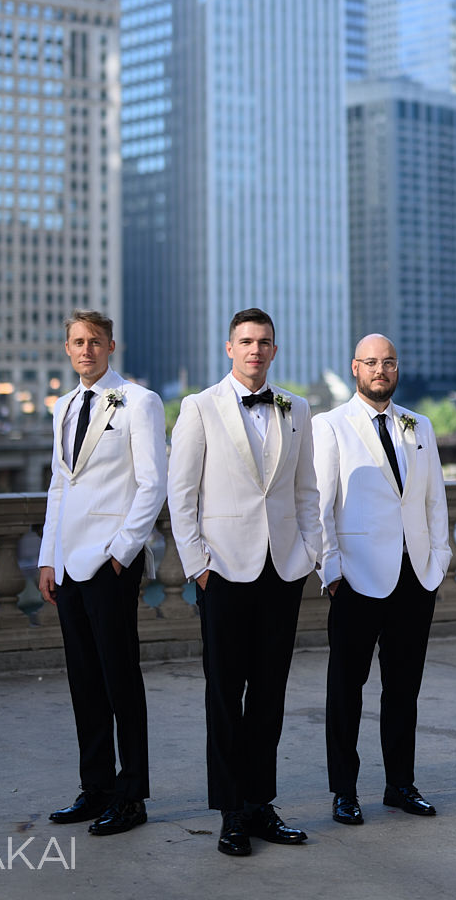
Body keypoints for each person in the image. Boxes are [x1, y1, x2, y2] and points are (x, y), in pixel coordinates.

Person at [167, 307, 321, 858]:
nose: (256, 350)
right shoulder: (199, 407)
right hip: (224, 571)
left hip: (282, 570)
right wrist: (198, 565)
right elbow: (181, 494)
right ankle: (232, 811)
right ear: (229, 348)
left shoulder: (296, 407)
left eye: (265, 342)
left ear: (275, 351)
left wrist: (308, 554)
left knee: (271, 695)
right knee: (225, 694)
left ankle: (261, 803)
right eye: (246, 341)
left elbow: (306, 491)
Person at [313, 334, 451, 827]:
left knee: (403, 689)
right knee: (345, 690)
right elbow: (320, 505)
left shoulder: (420, 425)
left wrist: (438, 560)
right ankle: (344, 791)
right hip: (354, 577)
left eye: (388, 362)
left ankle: (400, 784)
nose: (380, 370)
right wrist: (330, 570)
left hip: (415, 578)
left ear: (397, 368)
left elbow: (435, 499)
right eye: (371, 362)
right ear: (354, 368)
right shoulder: (329, 425)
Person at [38, 310, 166, 836]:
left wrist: (122, 551)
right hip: (68, 565)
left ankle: (131, 795)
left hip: (111, 564)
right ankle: (95, 789)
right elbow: (59, 485)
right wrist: (48, 556)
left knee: (120, 682)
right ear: (66, 349)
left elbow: (152, 483)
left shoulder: (140, 401)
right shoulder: (64, 406)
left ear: (112, 345)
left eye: (94, 341)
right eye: (76, 342)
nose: (85, 350)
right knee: (83, 682)